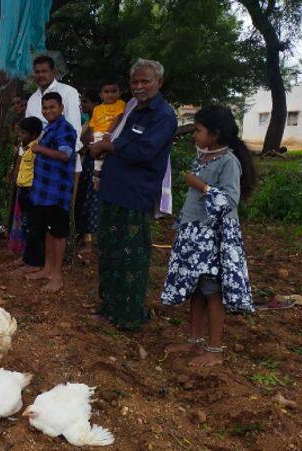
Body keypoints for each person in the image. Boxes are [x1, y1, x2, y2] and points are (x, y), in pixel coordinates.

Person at [161, 105, 255, 367]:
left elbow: (229, 201)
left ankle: (214, 349)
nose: (194, 135)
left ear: (214, 134)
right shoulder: (203, 156)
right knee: (197, 289)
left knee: (213, 291)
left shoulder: (228, 162)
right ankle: (194, 341)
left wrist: (200, 185)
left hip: (213, 238)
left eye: (198, 130)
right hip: (195, 234)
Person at [89, 58, 177, 330]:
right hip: (112, 190)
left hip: (134, 195)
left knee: (131, 257)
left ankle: (129, 315)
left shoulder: (163, 115)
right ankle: (109, 307)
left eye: (145, 81)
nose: (139, 87)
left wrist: (110, 147)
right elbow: (118, 139)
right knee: (109, 250)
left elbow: (145, 151)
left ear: (159, 83)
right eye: (135, 82)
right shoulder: (132, 109)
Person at [26, 92, 78, 293]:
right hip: (43, 192)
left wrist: (40, 149)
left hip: (57, 192)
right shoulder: (49, 128)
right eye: (45, 108)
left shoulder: (66, 129)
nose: (48, 111)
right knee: (48, 231)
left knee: (58, 234)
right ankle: (47, 269)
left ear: (61, 108)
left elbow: (65, 155)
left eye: (52, 107)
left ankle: (57, 276)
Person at [25, 56, 82, 174]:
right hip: (37, 162)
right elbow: (28, 132)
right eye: (37, 72)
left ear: (53, 72)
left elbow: (75, 128)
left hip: (62, 163)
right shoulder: (32, 99)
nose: (40, 75)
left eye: (44, 71)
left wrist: (68, 157)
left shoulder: (68, 92)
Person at [10, 117, 45, 272]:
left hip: (31, 192)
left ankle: (35, 262)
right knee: (26, 227)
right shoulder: (27, 148)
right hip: (24, 191)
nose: (20, 136)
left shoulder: (36, 149)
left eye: (23, 133)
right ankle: (26, 258)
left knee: (33, 228)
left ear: (33, 134)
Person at [75, 88, 103, 260]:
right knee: (84, 198)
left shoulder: (98, 121)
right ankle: (84, 236)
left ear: (95, 103)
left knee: (91, 199)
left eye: (85, 101)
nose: (82, 104)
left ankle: (89, 242)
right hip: (87, 164)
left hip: (94, 165)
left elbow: (84, 142)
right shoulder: (90, 120)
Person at [85, 78, 126, 189]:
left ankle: (101, 179)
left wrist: (108, 132)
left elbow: (118, 118)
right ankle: (96, 178)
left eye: (114, 91)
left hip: (111, 134)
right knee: (97, 160)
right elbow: (92, 125)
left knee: (107, 158)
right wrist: (91, 140)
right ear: (101, 95)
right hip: (98, 134)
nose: (110, 94)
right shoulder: (97, 108)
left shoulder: (120, 104)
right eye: (106, 92)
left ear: (120, 93)